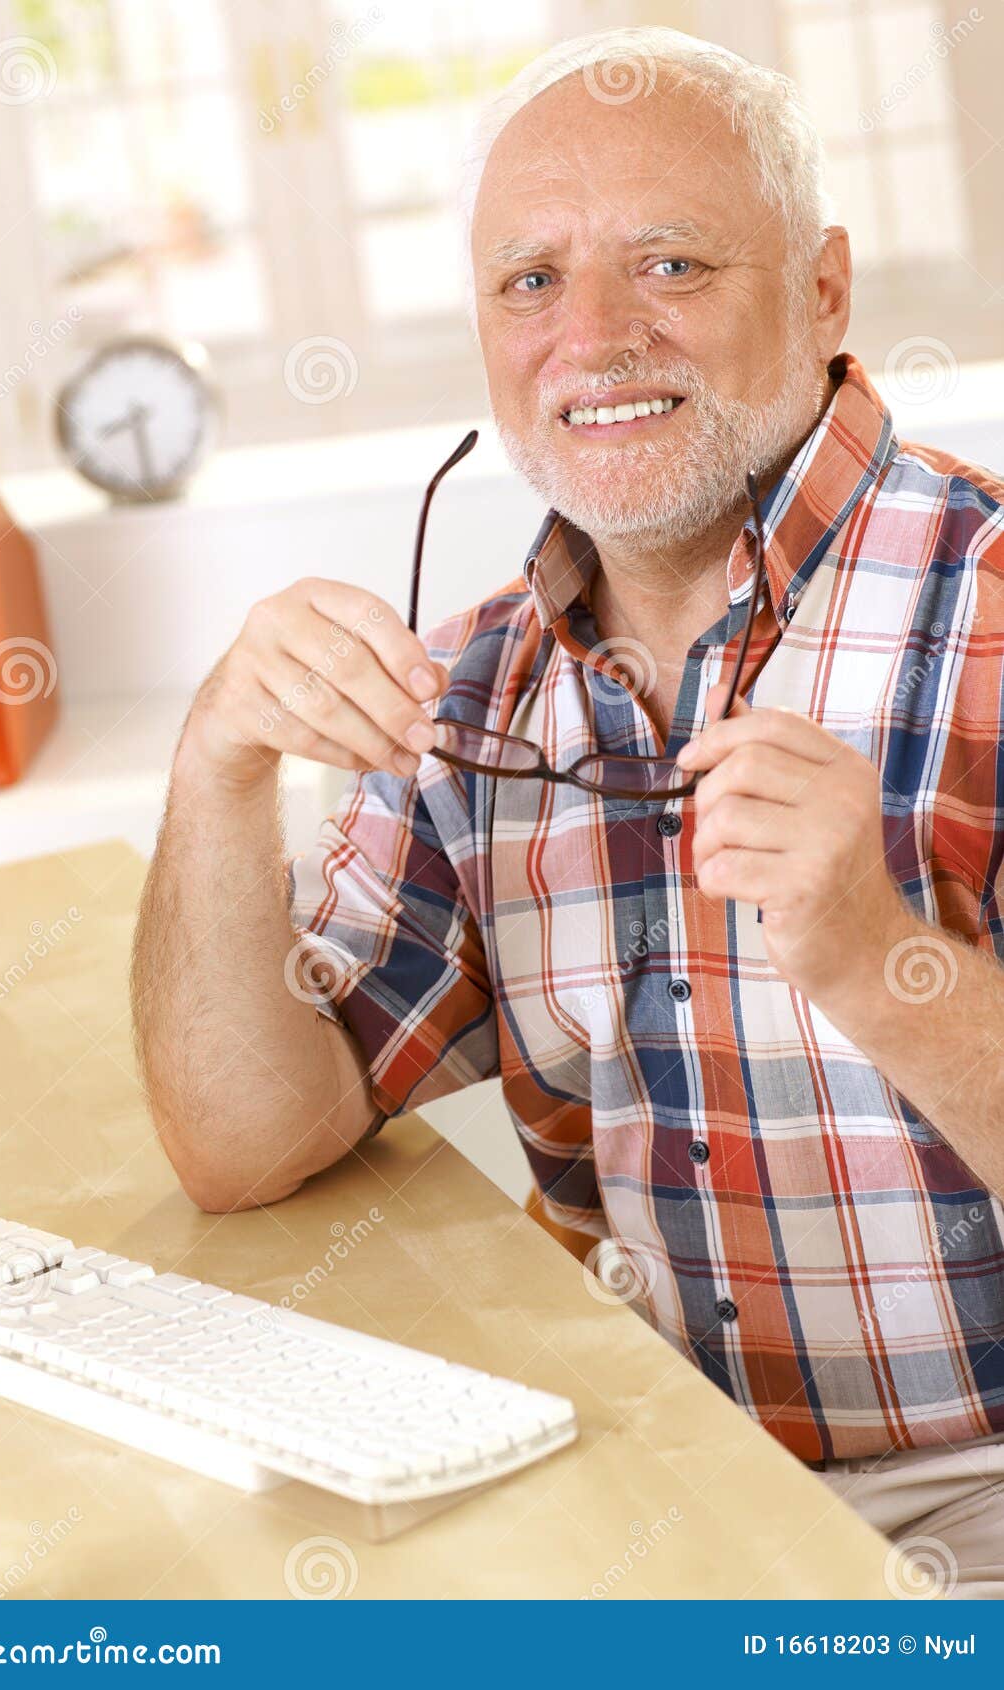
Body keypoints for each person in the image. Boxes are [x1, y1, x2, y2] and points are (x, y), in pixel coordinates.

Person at [131, 28, 1004, 1594]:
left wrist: (878, 954)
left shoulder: (991, 610)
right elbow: (247, 1143)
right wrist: (218, 765)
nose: (591, 338)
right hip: (641, 1475)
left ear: (822, 289)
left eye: (668, 263)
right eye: (530, 281)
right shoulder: (469, 687)